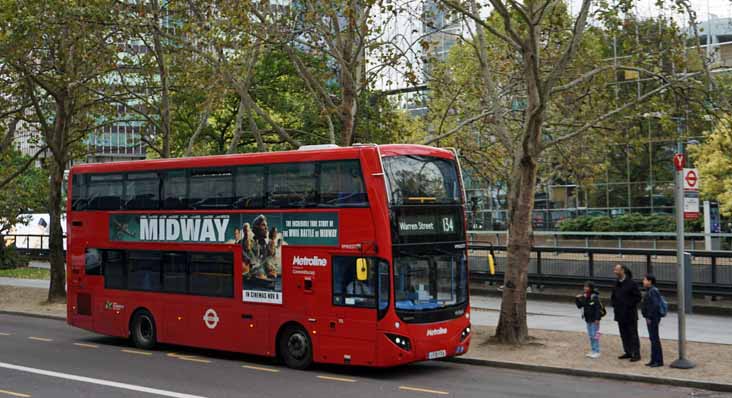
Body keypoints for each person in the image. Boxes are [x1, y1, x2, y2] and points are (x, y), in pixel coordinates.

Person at [611, 264, 642, 361]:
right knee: (623, 334)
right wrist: (615, 305)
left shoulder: (631, 283)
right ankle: (628, 351)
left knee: (632, 334)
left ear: (622, 270)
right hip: (620, 313)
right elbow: (613, 296)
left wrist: (628, 304)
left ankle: (636, 354)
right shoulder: (616, 283)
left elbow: (638, 297)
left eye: (617, 270)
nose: (615, 272)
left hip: (630, 314)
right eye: (615, 270)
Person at [641, 274, 664, 367]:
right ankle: (654, 359)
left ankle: (658, 361)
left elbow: (654, 305)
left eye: (645, 280)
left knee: (654, 339)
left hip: (653, 318)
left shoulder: (652, 291)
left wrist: (649, 316)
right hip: (651, 317)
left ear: (650, 281)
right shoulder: (650, 290)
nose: (643, 281)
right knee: (653, 338)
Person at [576, 281, 602, 358]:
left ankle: (597, 351)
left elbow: (598, 309)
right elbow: (580, 306)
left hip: (594, 320)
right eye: (584, 286)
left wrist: (597, 319)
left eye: (587, 287)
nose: (585, 288)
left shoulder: (594, 297)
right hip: (588, 319)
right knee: (591, 335)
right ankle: (593, 350)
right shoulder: (585, 296)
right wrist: (577, 299)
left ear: (591, 288)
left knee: (595, 335)